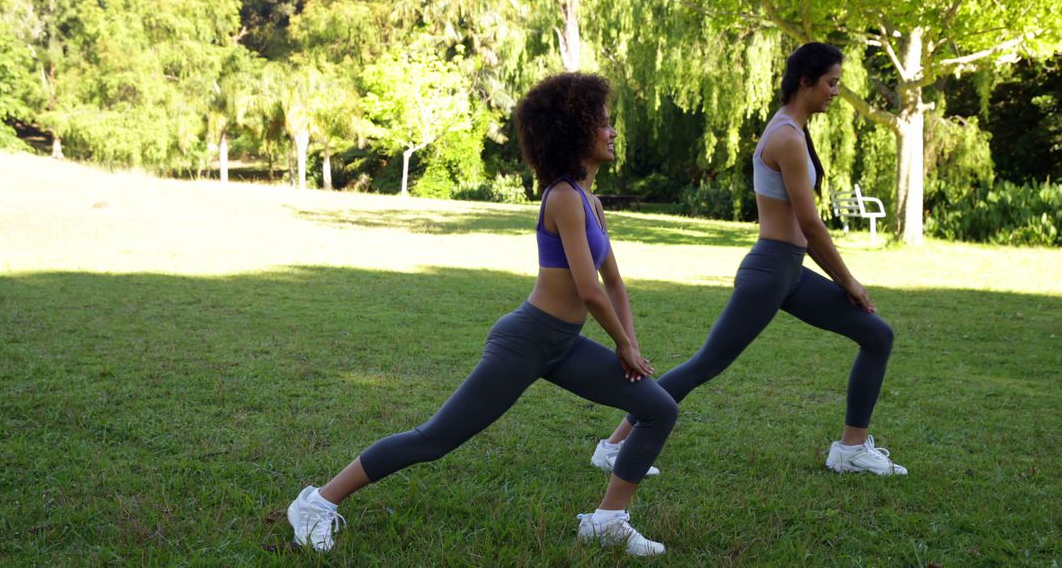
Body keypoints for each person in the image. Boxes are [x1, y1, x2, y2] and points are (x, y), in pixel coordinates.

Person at [287, 73, 678, 556]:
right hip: (528, 341)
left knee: (658, 407)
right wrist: (622, 345)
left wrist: (631, 344)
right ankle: (317, 502)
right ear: (575, 131)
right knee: (435, 439)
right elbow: (589, 290)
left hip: (563, 345)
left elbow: (614, 283)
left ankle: (607, 521)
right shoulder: (560, 198)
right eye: (602, 123)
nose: (612, 132)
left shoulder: (591, 204)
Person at [590, 42, 906, 477]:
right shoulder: (787, 138)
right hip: (772, 271)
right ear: (805, 82)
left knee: (877, 335)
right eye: (831, 83)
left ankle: (851, 449)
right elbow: (810, 226)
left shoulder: (792, 129)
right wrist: (848, 281)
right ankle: (613, 445)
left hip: (789, 271)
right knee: (707, 363)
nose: (836, 92)